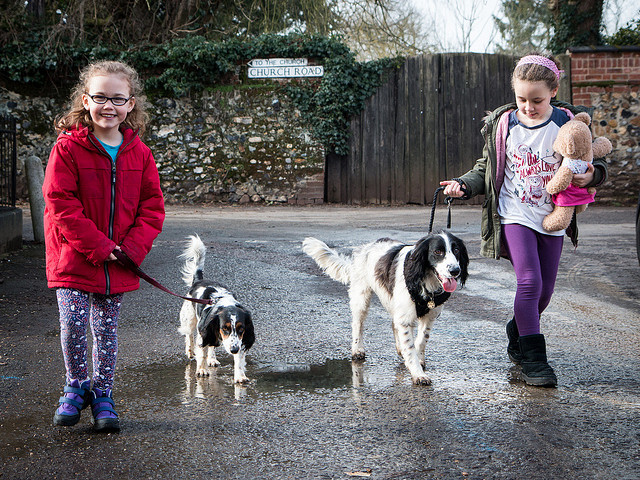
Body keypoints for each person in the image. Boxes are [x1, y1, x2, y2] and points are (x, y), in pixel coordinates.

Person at [440, 53, 607, 387]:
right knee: (529, 282)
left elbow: (592, 161)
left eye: (537, 100)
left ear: (554, 90)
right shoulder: (505, 125)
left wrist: (592, 178)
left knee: (544, 293)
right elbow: (486, 167)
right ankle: (534, 360)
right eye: (521, 99)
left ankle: (519, 329)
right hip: (514, 213)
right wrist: (465, 185)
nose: (528, 106)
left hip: (553, 217)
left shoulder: (568, 122)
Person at [43, 60, 165, 431]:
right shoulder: (67, 148)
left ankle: (104, 394)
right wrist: (98, 245)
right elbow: (59, 202)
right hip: (75, 256)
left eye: (117, 98)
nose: (108, 106)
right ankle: (76, 385)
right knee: (74, 323)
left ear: (131, 104)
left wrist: (130, 250)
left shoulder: (140, 153)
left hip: (119, 262)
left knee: (107, 328)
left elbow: (152, 207)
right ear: (85, 100)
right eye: (100, 97)